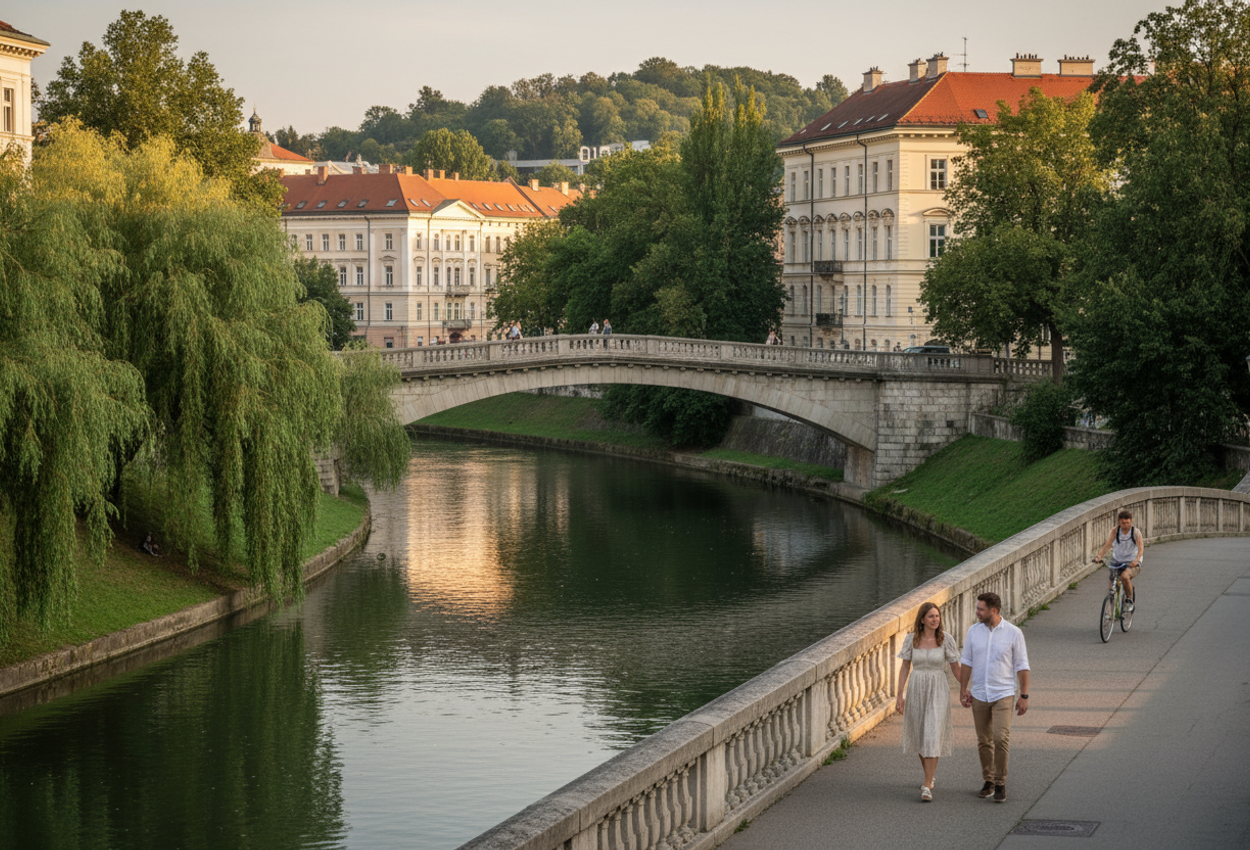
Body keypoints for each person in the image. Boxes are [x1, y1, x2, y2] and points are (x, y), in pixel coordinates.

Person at [958, 592, 1030, 803]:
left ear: (994, 611)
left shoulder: (1013, 633)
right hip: (979, 693)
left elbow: (1022, 666)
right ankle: (988, 780)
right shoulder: (973, 631)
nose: (977, 612)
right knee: (983, 740)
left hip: (1003, 694)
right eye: (977, 608)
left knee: (1000, 738)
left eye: (981, 609)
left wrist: (1024, 695)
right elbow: (966, 661)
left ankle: (1000, 782)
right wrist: (963, 689)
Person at [895, 601, 961, 801]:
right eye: (931, 616)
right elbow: (905, 667)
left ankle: (926, 785)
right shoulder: (911, 639)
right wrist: (900, 694)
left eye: (937, 616)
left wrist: (966, 688)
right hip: (916, 688)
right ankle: (929, 777)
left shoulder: (945, 639)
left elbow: (955, 667)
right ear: (922, 619)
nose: (935, 620)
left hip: (937, 688)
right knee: (920, 735)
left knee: (932, 733)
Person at [1093, 509, 1143, 610]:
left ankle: (1129, 600)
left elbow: (1141, 548)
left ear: (1131, 521)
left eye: (1127, 523)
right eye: (1123, 523)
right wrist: (1099, 556)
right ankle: (1112, 608)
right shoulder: (1115, 531)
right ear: (1119, 522)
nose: (1125, 525)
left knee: (1124, 577)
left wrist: (1136, 560)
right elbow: (1107, 545)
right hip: (1117, 561)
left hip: (1132, 562)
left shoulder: (1135, 532)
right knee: (1112, 584)